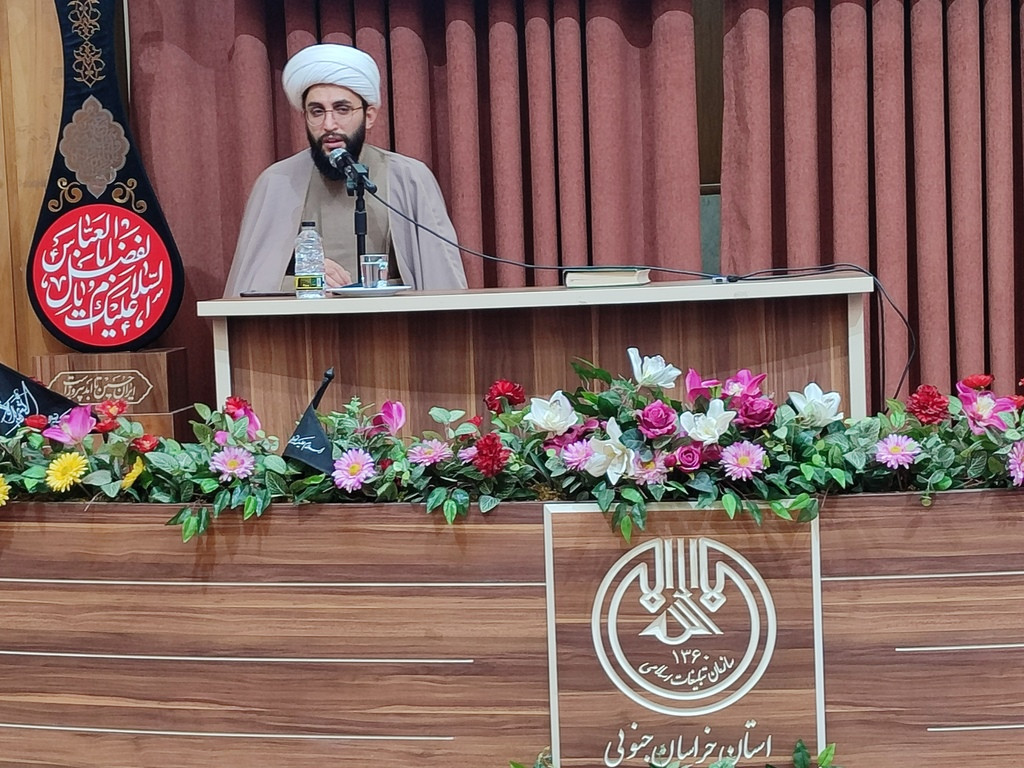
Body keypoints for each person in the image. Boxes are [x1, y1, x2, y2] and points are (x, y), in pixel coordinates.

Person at [223, 44, 467, 296]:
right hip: (302, 320)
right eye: (317, 111)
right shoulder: (276, 182)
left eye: (342, 109)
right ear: (305, 117)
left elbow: (440, 285)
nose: (329, 124)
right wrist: (309, 280)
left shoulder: (409, 177)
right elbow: (252, 289)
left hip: (393, 319)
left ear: (369, 116)